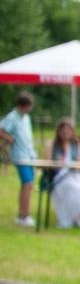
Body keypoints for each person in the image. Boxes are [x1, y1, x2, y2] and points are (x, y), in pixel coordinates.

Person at [47, 119, 80, 229]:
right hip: (59, 176)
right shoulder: (52, 144)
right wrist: (59, 164)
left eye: (68, 130)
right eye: (63, 131)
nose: (66, 133)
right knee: (74, 189)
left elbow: (79, 163)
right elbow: (48, 163)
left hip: (74, 174)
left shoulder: (76, 144)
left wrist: (75, 166)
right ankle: (75, 217)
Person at [0, 92, 37, 226]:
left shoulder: (26, 117)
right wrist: (10, 138)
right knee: (27, 184)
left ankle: (23, 213)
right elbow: (1, 130)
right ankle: (23, 216)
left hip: (29, 154)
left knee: (28, 185)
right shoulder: (12, 117)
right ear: (24, 105)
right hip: (20, 156)